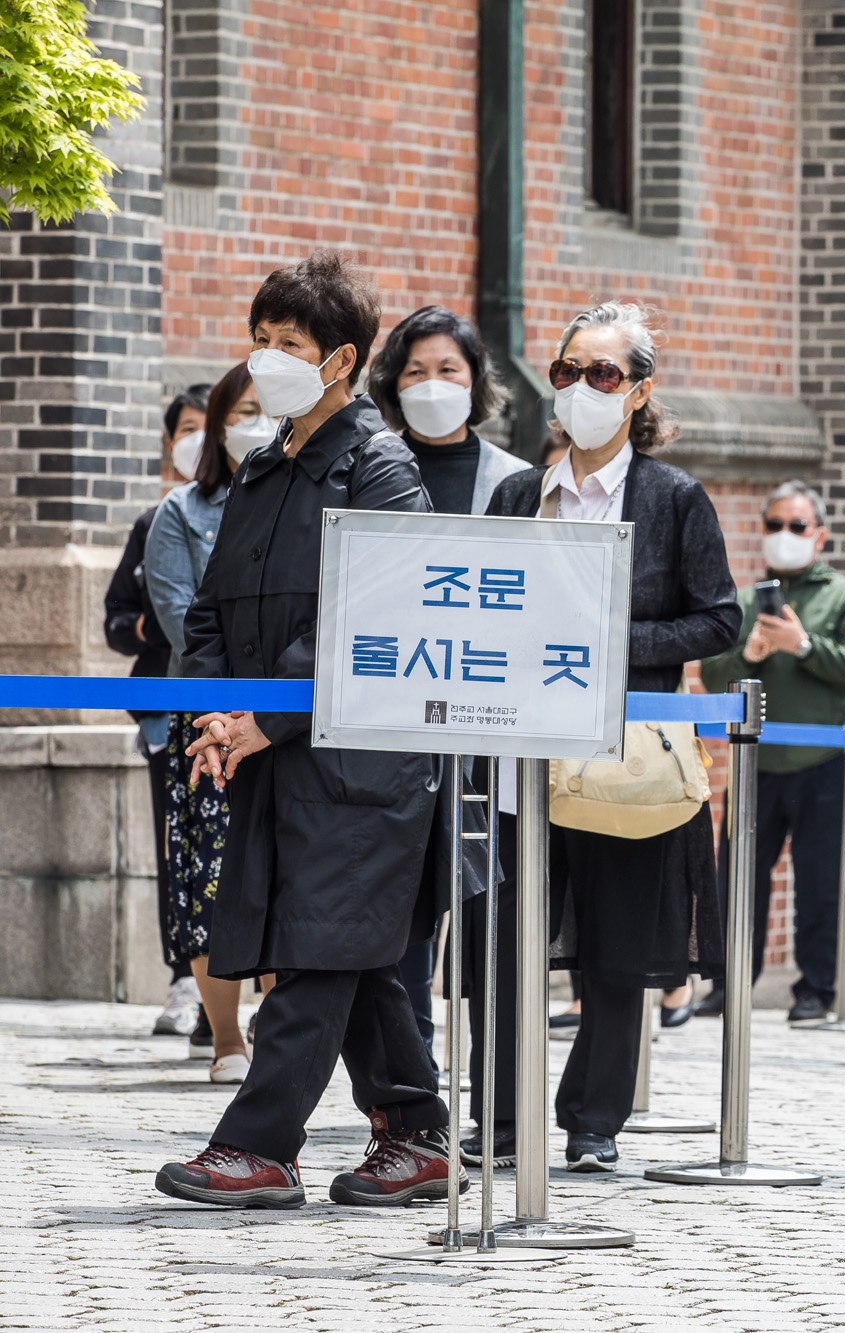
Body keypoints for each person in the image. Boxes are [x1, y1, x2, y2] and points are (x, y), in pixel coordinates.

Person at [155, 249, 478, 1209]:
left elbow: (374, 622)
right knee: (352, 950)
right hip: (269, 755)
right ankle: (418, 1134)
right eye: (259, 339)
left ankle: (257, 1147)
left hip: (363, 769)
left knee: (319, 949)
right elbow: (208, 613)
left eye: (287, 344)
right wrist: (215, 714)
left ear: (339, 360)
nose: (264, 360)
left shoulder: (381, 469)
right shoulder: (261, 469)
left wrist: (268, 716)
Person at [473, 301, 738, 1173]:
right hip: (521, 755)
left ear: (639, 391)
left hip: (626, 756)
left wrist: (608, 644)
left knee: (619, 951)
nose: (582, 387)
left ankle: (594, 1121)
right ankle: (502, 1119)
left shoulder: (673, 498)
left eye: (603, 373)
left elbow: (718, 620)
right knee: (507, 943)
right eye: (568, 371)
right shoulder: (518, 494)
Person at [367, 305, 531, 1055]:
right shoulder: (367, 466)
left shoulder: (517, 482)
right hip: (396, 714)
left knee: (491, 903)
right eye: (415, 371)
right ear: (392, 384)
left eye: (448, 370)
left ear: (476, 380)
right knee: (401, 907)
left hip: (488, 718)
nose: (432, 384)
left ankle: (495, 1081)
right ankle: (413, 1069)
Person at [698, 480, 845, 1024]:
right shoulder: (745, 600)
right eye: (774, 524)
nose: (784, 534)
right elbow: (712, 675)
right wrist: (751, 655)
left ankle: (815, 990)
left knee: (820, 880)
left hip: (822, 763)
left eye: (796, 525)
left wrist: (802, 646)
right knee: (738, 877)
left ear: (820, 535)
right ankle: (729, 984)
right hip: (755, 764)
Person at [146, 365, 273, 1082]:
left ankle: (277, 1033)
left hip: (279, 720)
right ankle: (226, 1038)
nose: (255, 424)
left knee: (278, 877)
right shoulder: (181, 511)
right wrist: (222, 710)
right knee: (207, 880)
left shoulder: (299, 498)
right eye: (241, 412)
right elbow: (181, 617)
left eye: (264, 409)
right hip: (205, 719)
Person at [107, 385, 208, 1042]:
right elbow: (116, 621)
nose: (199, 439)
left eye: (210, 425)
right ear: (170, 444)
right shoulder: (155, 523)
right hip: (165, 714)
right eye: (187, 428)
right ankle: (184, 980)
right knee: (177, 851)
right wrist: (154, 624)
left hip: (243, 714)